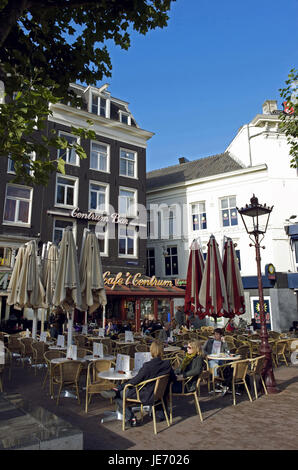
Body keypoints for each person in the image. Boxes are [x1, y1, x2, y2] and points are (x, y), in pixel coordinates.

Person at [105, 341, 175, 427]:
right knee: (121, 391)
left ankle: (131, 418)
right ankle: (116, 390)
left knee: (118, 395)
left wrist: (121, 387)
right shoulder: (167, 364)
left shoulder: (148, 366)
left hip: (144, 394)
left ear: (151, 351)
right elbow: (173, 378)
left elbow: (135, 381)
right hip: (159, 394)